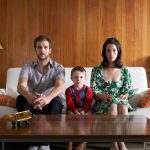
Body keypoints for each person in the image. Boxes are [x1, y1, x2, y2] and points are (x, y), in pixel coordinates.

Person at [16, 35, 65, 150]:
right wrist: (30, 97)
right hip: (31, 101)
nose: (42, 50)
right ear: (35, 49)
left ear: (50, 50)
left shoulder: (59, 68)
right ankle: (32, 143)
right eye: (39, 47)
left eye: (45, 47)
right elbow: (21, 86)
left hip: (49, 100)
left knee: (57, 101)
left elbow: (59, 86)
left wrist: (47, 98)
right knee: (20, 99)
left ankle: (44, 144)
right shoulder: (27, 67)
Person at [90, 37, 134, 150]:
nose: (111, 53)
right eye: (108, 50)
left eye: (114, 50)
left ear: (118, 52)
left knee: (123, 105)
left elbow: (128, 89)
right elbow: (94, 90)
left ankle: (121, 141)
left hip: (120, 101)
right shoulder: (96, 70)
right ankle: (114, 142)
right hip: (103, 102)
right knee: (113, 104)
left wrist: (126, 95)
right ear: (104, 52)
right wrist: (104, 96)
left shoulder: (124, 70)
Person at [65, 66, 93, 150]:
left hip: (85, 109)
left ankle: (83, 142)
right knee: (70, 118)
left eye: (81, 77)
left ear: (85, 78)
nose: (78, 79)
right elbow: (69, 103)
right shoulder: (69, 90)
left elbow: (88, 102)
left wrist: (84, 111)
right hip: (73, 109)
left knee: (88, 119)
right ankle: (69, 142)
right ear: (71, 78)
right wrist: (75, 112)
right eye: (76, 77)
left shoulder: (88, 90)